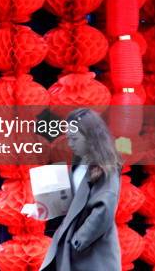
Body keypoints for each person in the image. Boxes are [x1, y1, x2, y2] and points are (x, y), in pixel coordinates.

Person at [24, 108, 123, 271]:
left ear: (90, 137)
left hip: (91, 248)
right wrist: (43, 207)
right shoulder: (80, 163)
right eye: (69, 138)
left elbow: (104, 210)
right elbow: (71, 201)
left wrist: (79, 239)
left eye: (74, 139)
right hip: (72, 241)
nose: (70, 144)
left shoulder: (106, 166)